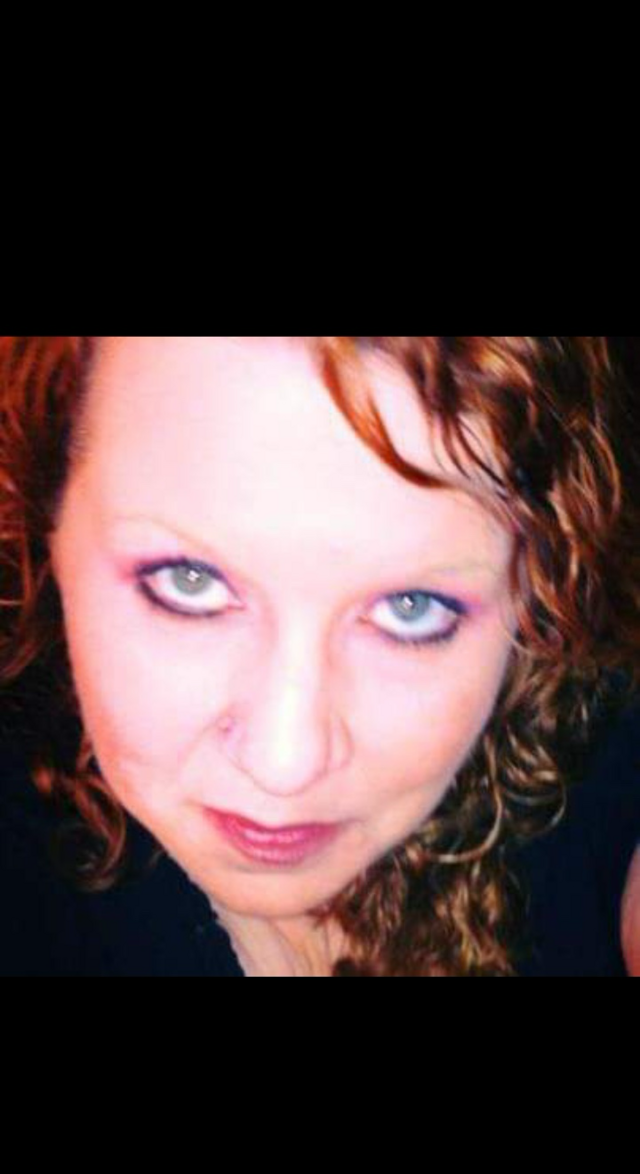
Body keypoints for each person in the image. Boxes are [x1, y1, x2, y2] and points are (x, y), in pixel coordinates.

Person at [1, 335, 639, 977]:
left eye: (410, 607)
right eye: (188, 581)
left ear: (536, 586)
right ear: (48, 517)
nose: (286, 766)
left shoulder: (595, 751)